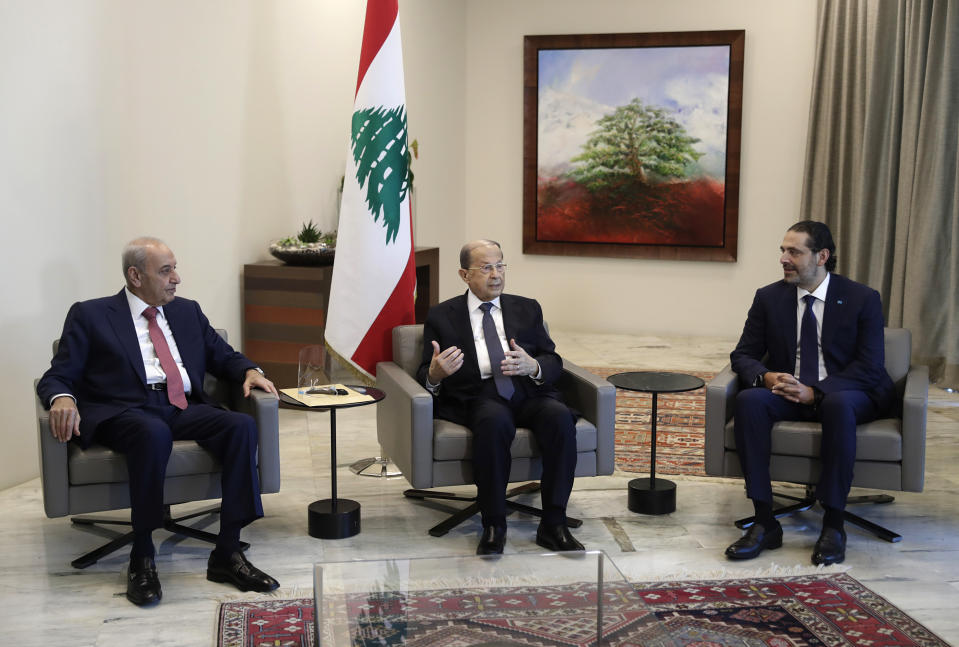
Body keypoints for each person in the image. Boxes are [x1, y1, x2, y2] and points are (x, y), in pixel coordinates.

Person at [36, 237, 281, 606]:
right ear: (135, 276)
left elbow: (222, 355)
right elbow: (58, 374)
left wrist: (249, 370)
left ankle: (227, 553)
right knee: (152, 432)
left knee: (240, 426)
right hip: (126, 411)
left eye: (175, 268)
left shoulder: (187, 312)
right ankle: (143, 556)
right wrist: (62, 397)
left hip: (180, 405)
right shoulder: (91, 315)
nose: (176, 278)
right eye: (166, 270)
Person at [725, 221, 894, 565]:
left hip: (847, 392)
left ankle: (833, 525)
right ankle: (764, 521)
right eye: (783, 251)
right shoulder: (769, 298)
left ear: (822, 256)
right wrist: (767, 377)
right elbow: (742, 355)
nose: (784, 259)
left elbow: (869, 367)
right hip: (790, 391)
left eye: (794, 252)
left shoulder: (863, 298)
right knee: (749, 401)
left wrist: (815, 392)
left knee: (838, 404)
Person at [417, 239, 582, 555]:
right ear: (465, 275)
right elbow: (425, 370)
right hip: (479, 395)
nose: (496, 275)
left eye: (500, 265)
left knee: (560, 418)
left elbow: (552, 359)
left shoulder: (527, 307)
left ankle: (554, 524)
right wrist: (435, 374)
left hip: (527, 391)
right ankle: (494, 525)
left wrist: (533, 365)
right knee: (493, 424)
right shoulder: (442, 316)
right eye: (486, 267)